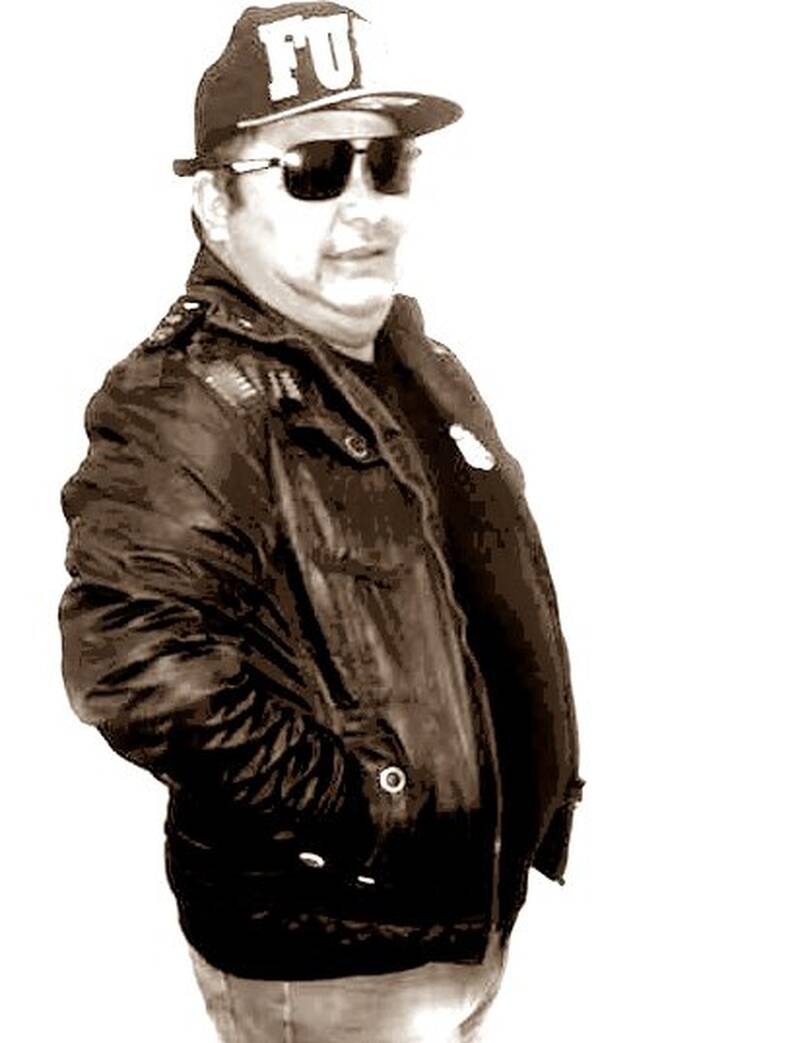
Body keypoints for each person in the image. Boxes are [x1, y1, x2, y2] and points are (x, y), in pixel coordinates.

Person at [59, 4, 584, 1040]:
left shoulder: (413, 359)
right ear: (214, 203)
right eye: (313, 170)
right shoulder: (186, 397)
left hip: (453, 925)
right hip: (336, 957)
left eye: (385, 164)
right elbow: (130, 659)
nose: (365, 208)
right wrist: (367, 809)